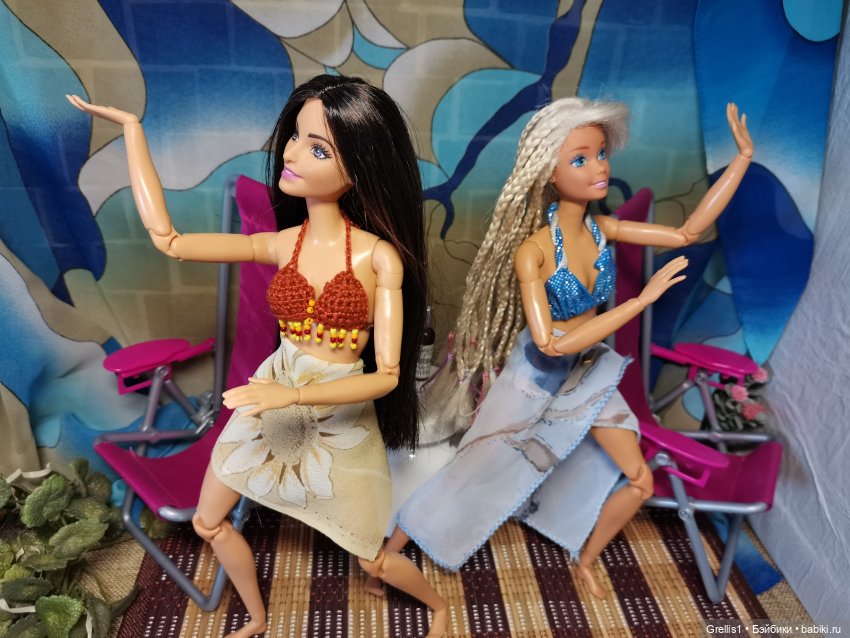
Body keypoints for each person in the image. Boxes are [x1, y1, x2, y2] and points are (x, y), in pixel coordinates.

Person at [68, 74, 447, 638]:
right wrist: (132, 132)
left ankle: (439, 609)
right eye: (295, 137)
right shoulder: (281, 242)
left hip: (335, 416)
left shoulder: (378, 259)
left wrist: (290, 395)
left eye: (318, 149)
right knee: (207, 521)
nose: (291, 154)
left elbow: (387, 376)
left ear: (360, 169)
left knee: (369, 554)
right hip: (271, 394)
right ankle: (257, 615)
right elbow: (170, 241)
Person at [385, 98, 753, 599]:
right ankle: (389, 554)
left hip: (588, 371)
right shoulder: (533, 252)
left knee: (639, 478)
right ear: (549, 173)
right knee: (470, 471)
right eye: (580, 159)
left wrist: (741, 160)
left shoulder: (604, 230)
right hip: (534, 379)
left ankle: (586, 560)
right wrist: (639, 301)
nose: (599, 167)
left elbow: (688, 231)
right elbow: (550, 343)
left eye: (600, 154)